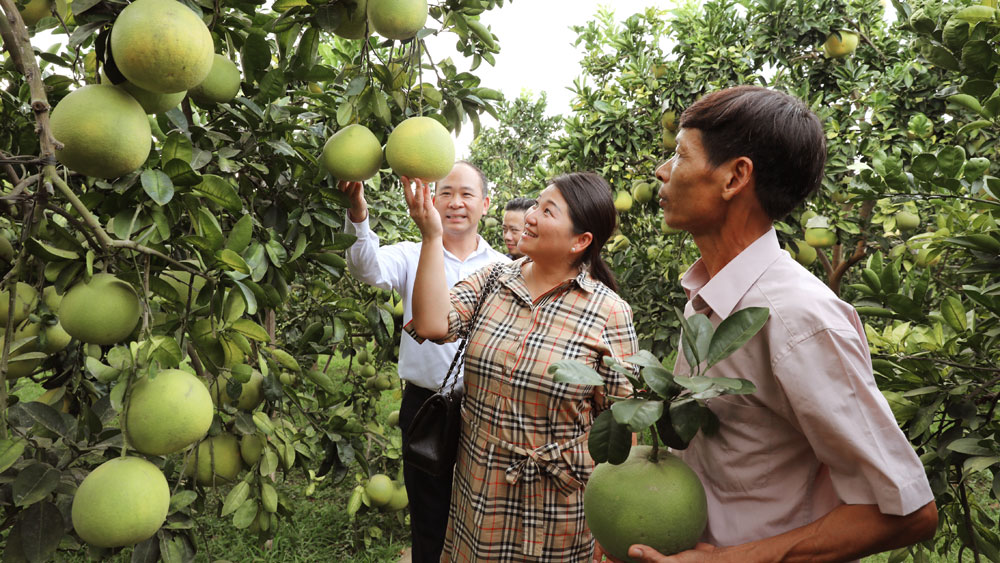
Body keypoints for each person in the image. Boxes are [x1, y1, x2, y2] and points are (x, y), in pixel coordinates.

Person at [614, 86, 938, 562]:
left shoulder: (797, 318)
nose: (662, 172)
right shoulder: (707, 301)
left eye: (680, 155)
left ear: (734, 177)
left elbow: (907, 511)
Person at [403, 171, 638, 561]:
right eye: (536, 204)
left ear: (580, 241)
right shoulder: (494, 279)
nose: (530, 215)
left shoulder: (609, 312)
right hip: (480, 486)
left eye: (547, 210)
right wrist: (431, 236)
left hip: (557, 503)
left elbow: (622, 423)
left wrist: (612, 521)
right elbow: (431, 324)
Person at [339, 160, 510, 563]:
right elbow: (365, 268)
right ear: (431, 200)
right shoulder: (411, 254)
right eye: (446, 192)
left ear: (485, 204)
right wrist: (357, 213)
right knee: (429, 514)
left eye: (467, 194)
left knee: (482, 513)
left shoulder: (506, 268)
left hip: (484, 407)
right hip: (425, 404)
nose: (455, 202)